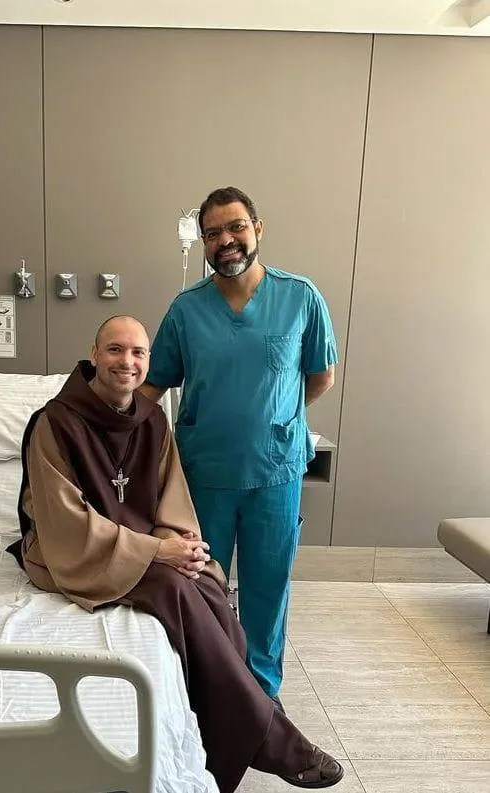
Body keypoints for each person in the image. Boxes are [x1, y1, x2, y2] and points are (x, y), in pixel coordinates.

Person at [7, 315, 343, 793]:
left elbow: (172, 495)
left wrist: (180, 547)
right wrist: (158, 551)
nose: (126, 361)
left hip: (138, 540)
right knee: (170, 584)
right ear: (94, 354)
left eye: (138, 352)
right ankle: (269, 735)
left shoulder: (152, 420)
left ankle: (243, 718)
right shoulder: (55, 423)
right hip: (71, 550)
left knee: (206, 578)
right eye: (115, 349)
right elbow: (63, 522)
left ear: (149, 361)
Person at [139, 187, 337, 707]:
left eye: (235, 227)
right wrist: (94, 421)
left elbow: (321, 375)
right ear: (204, 242)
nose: (225, 240)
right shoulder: (186, 310)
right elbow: (152, 384)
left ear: (257, 228)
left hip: (275, 473)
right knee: (201, 586)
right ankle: (207, 693)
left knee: (267, 590)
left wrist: (278, 418)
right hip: (203, 474)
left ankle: (260, 700)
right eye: (212, 233)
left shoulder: (300, 297)